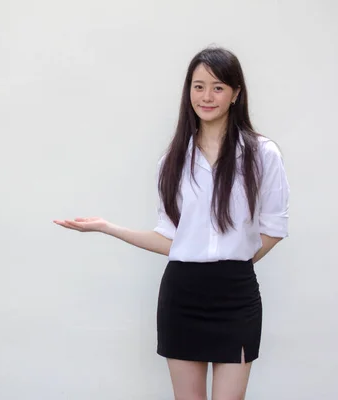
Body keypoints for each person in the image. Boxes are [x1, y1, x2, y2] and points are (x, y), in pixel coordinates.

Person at [53, 46, 289, 400]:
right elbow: (171, 239)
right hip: (183, 295)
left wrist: (232, 259)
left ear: (236, 93)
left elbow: (274, 227)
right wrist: (107, 227)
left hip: (236, 295)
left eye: (218, 87)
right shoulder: (173, 161)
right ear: (188, 91)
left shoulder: (261, 153)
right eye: (198, 86)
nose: (207, 96)